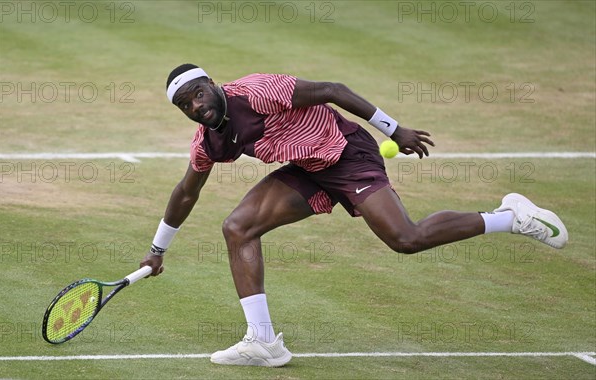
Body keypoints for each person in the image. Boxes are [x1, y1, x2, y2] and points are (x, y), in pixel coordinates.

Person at [139, 64, 568, 367]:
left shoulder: (257, 91)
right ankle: (263, 341)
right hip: (307, 168)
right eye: (185, 105)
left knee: (406, 239)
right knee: (238, 227)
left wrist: (393, 129)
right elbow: (185, 194)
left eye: (197, 94)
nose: (195, 106)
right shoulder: (208, 141)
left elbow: (331, 89)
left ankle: (511, 216)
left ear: (211, 84)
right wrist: (157, 251)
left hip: (347, 154)